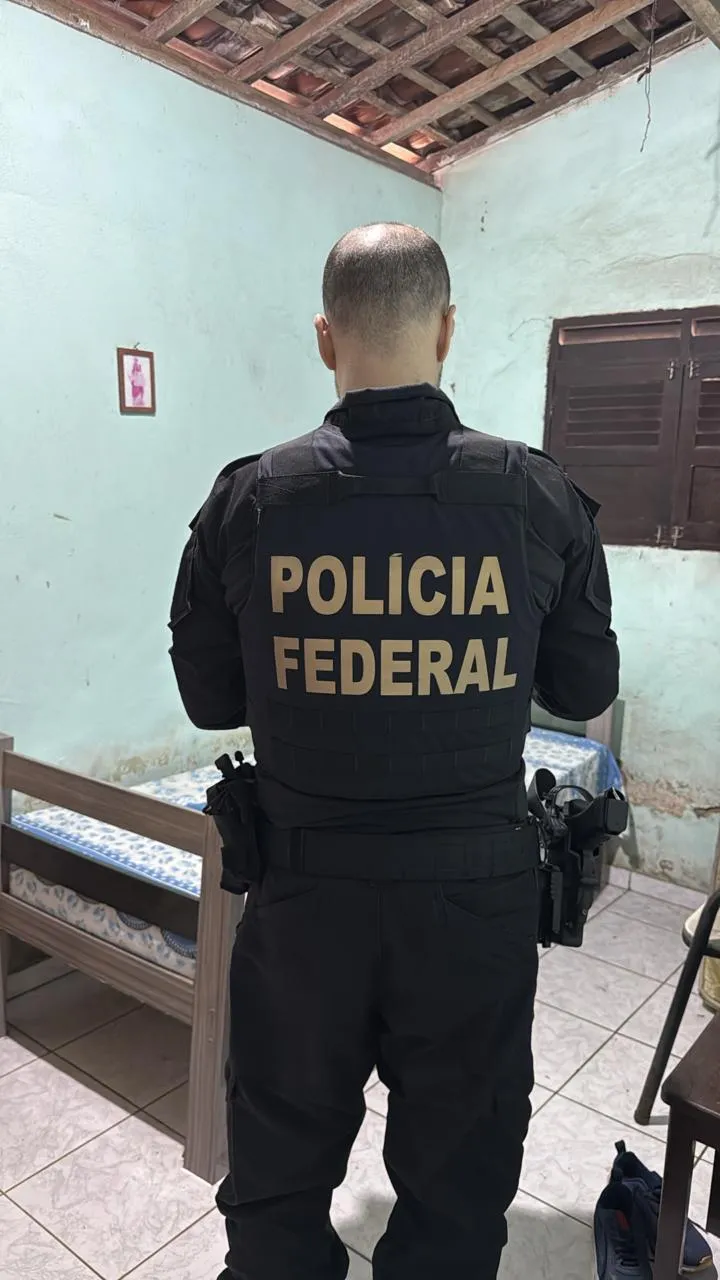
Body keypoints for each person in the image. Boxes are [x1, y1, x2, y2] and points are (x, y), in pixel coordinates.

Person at [169, 222, 619, 1280]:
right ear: (447, 331)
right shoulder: (538, 495)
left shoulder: (249, 498)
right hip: (474, 912)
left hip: (301, 906)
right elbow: (582, 689)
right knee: (457, 1205)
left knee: (275, 1191)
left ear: (327, 338)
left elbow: (208, 699)